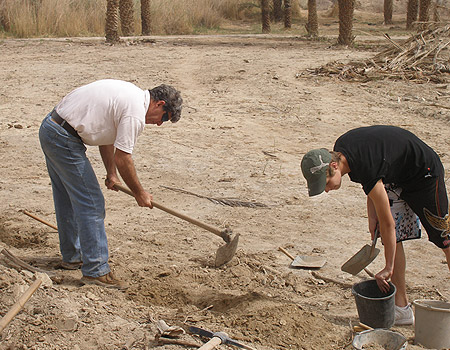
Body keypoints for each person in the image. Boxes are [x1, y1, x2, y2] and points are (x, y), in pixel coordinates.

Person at [39, 79, 183, 290]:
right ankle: (96, 271)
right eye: (163, 118)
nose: (159, 124)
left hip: (52, 128)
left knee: (68, 198)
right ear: (159, 104)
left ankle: (73, 256)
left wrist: (111, 173)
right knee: (91, 203)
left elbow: (106, 136)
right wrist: (139, 193)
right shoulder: (135, 112)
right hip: (63, 137)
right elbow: (124, 158)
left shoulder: (131, 96)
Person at [301, 125, 450, 325]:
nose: (327, 190)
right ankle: (402, 308)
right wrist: (372, 217)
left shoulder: (364, 164)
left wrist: (388, 267)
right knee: (393, 239)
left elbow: (387, 222)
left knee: (445, 239)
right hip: (396, 175)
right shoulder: (342, 150)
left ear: (334, 166)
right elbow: (372, 180)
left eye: (326, 183)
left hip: (424, 173)